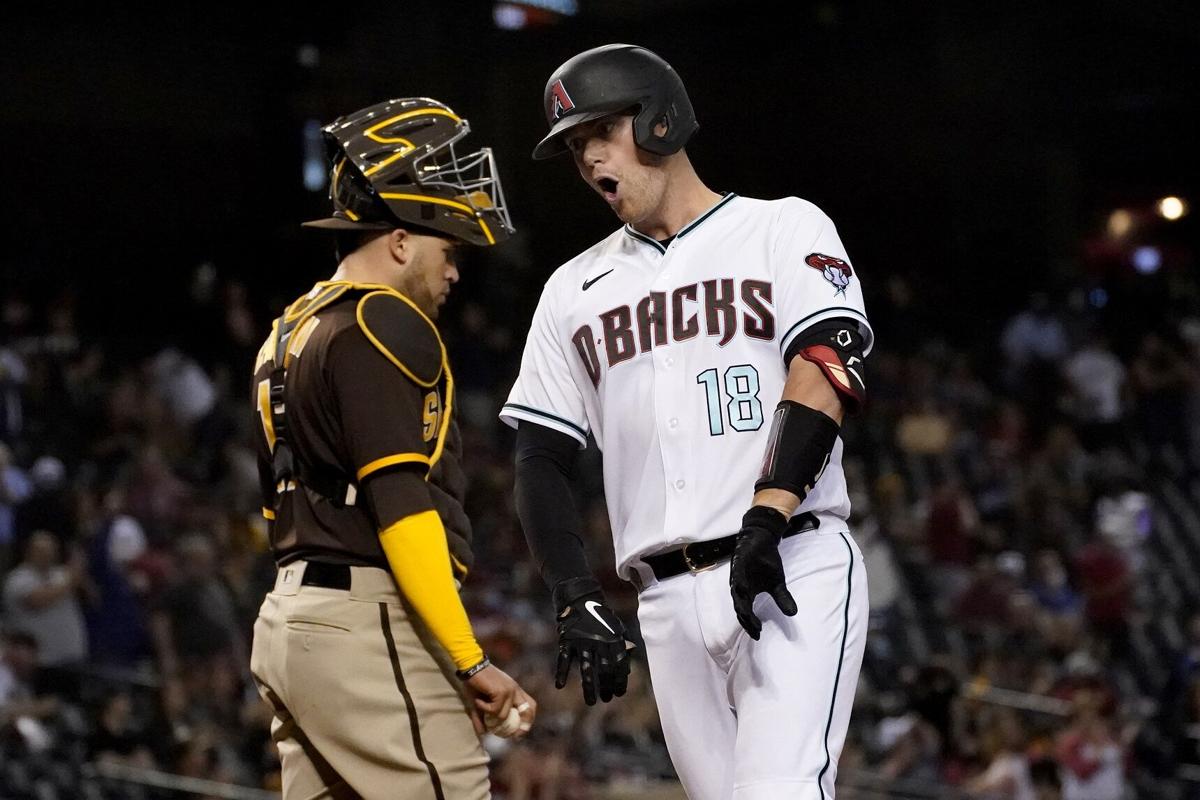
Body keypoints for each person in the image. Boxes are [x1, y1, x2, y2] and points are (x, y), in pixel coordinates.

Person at [502, 44, 871, 799]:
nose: (588, 160)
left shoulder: (781, 228)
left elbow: (825, 368)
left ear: (660, 120)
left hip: (789, 559)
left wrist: (769, 513)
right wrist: (572, 590)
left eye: (601, 133)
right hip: (665, 601)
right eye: (575, 147)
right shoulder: (572, 289)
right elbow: (540, 456)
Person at [249, 97, 536, 800]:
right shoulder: (383, 321)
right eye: (448, 251)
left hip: (290, 620)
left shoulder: (290, 329)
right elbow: (401, 506)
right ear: (401, 242)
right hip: (365, 620)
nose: (454, 273)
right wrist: (469, 660)